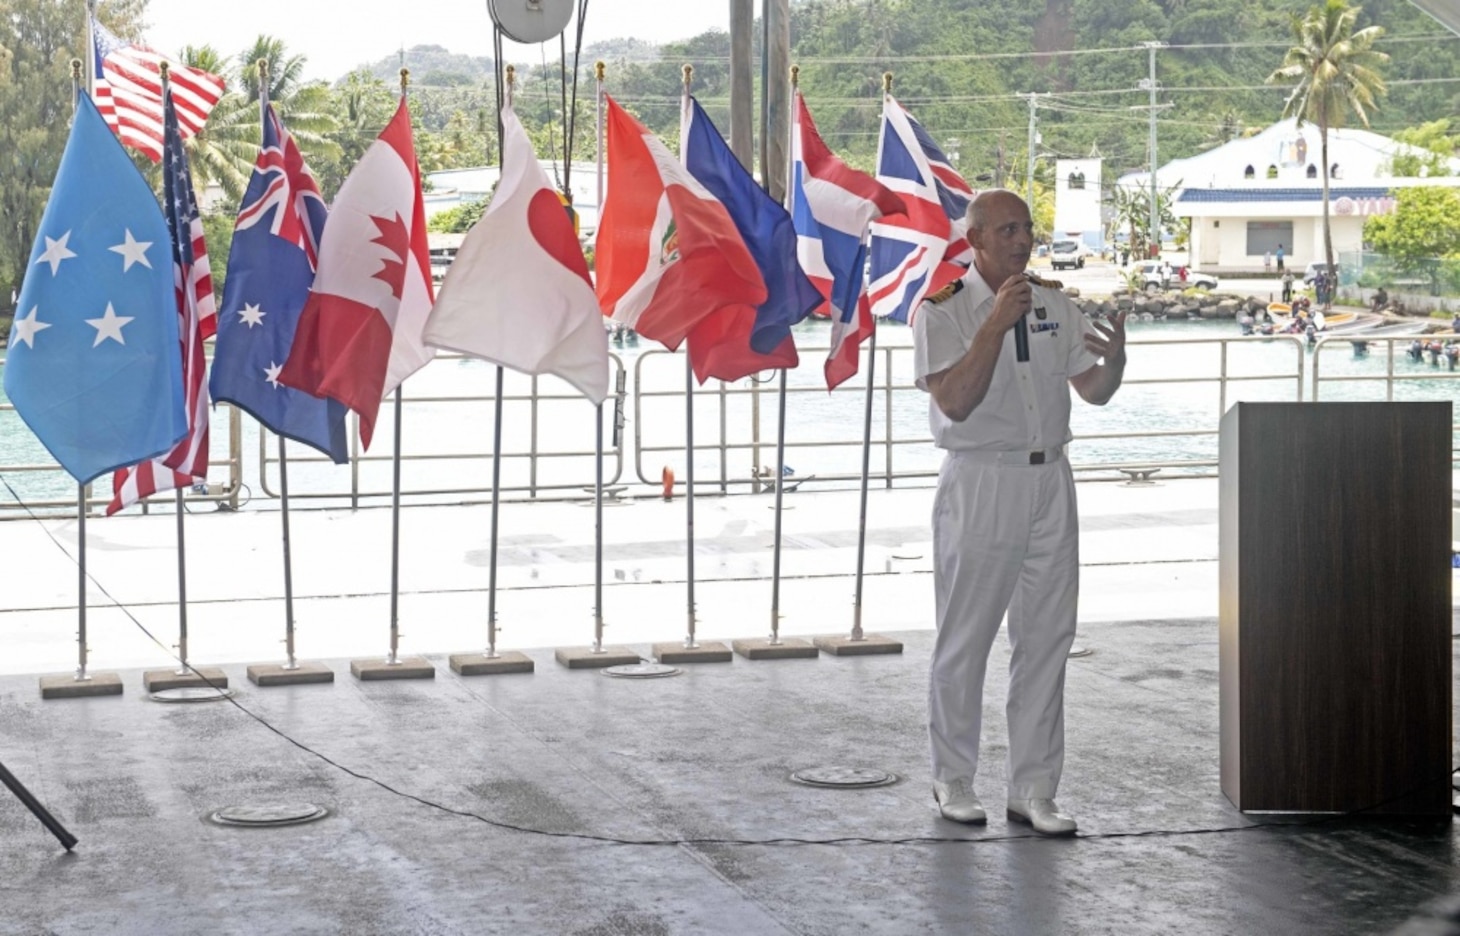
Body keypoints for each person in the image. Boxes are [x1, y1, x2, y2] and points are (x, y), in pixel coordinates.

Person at [912, 190, 1127, 836]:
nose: (1021, 240)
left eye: (1027, 229)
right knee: (966, 638)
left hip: (1049, 483)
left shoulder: (1054, 302)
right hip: (982, 482)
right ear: (973, 241)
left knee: (1045, 641)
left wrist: (1114, 365)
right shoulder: (943, 312)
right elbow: (953, 401)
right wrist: (993, 325)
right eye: (1006, 230)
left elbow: (1091, 390)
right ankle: (953, 780)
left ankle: (1033, 788)